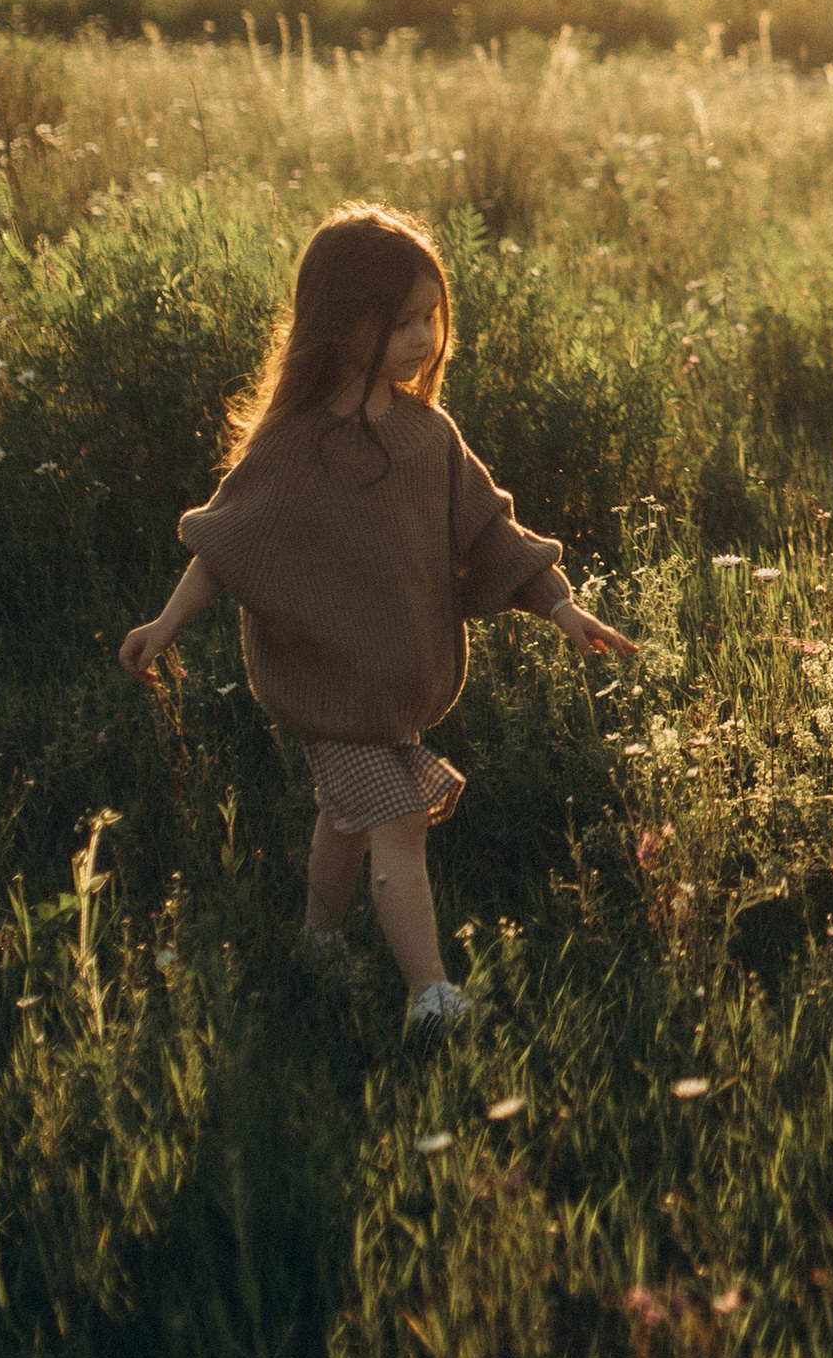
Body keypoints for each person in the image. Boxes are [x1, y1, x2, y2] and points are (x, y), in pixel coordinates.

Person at [120, 200, 633, 1039]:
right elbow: (226, 544)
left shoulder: (428, 436)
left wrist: (561, 606)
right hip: (331, 687)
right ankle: (431, 996)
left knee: (345, 819)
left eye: (432, 318)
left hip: (398, 686)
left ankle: (314, 942)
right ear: (341, 325)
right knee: (396, 821)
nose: (424, 338)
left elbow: (491, 533)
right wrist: (166, 623)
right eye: (401, 323)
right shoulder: (296, 444)